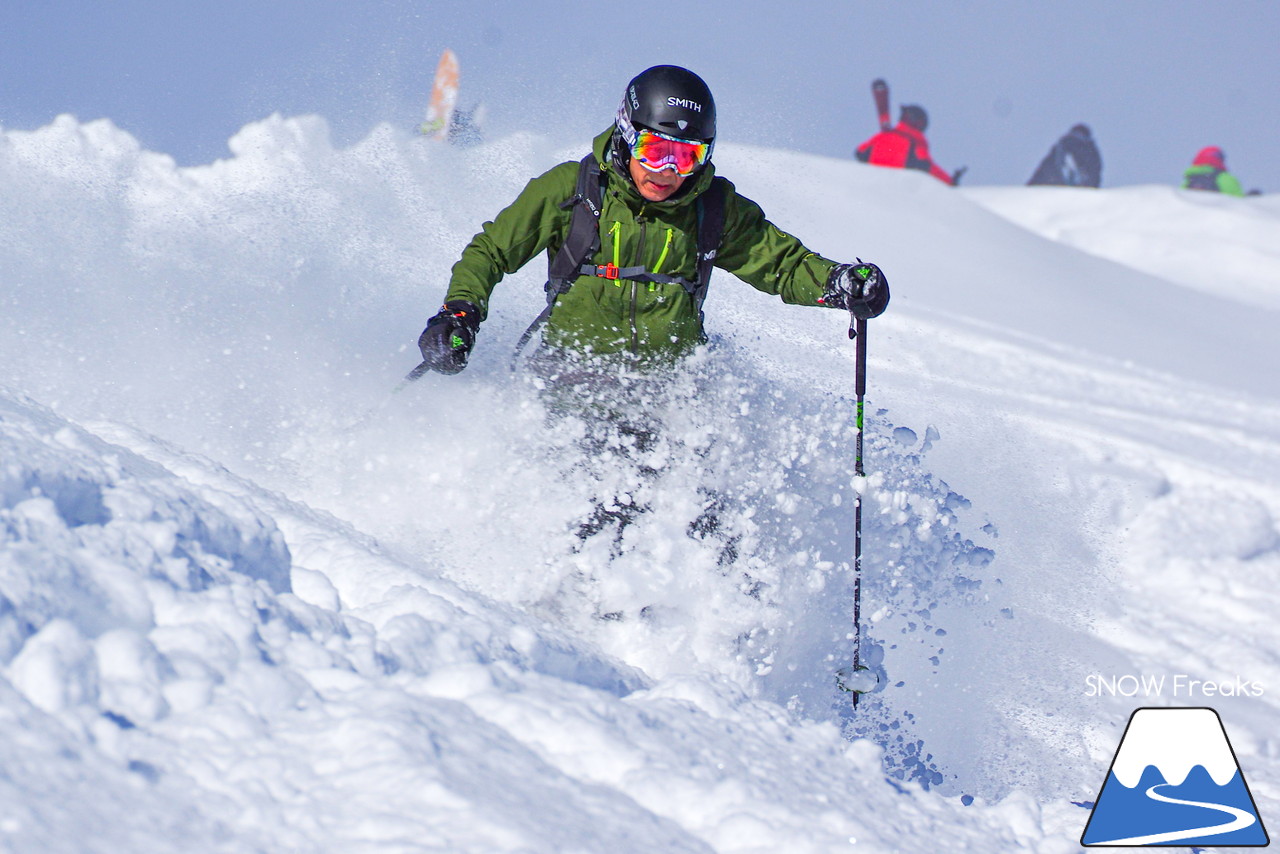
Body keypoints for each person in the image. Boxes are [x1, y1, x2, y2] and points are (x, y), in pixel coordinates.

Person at [416, 64, 889, 382]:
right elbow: (492, 250)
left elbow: (782, 264)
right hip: (570, 391)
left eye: (686, 156)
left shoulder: (713, 208)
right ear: (626, 135)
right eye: (655, 150)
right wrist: (460, 312)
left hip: (669, 402)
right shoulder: (574, 190)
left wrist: (839, 283)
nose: (668, 171)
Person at [854, 104, 965, 186]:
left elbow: (860, 153)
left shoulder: (882, 136)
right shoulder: (916, 140)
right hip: (900, 190)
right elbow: (926, 165)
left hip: (871, 186)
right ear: (917, 122)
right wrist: (950, 181)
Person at [1027, 123, 1102, 187]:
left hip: (1054, 190)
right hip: (1079, 192)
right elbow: (1095, 172)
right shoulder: (1090, 150)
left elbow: (1045, 171)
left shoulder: (1063, 146)